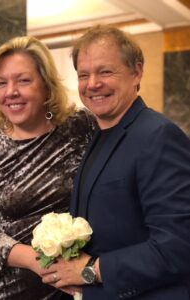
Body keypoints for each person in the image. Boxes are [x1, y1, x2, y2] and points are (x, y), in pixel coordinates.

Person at [40, 24, 190, 300]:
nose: (92, 84)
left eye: (105, 71)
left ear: (137, 72)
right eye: (83, 75)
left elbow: (178, 246)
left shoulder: (159, 136)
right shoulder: (99, 135)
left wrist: (89, 271)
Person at [0, 35, 97, 300]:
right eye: (1, 83)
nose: (11, 91)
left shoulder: (80, 127)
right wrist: (35, 260)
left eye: (23, 80)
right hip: (6, 291)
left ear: (47, 86)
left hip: (72, 286)